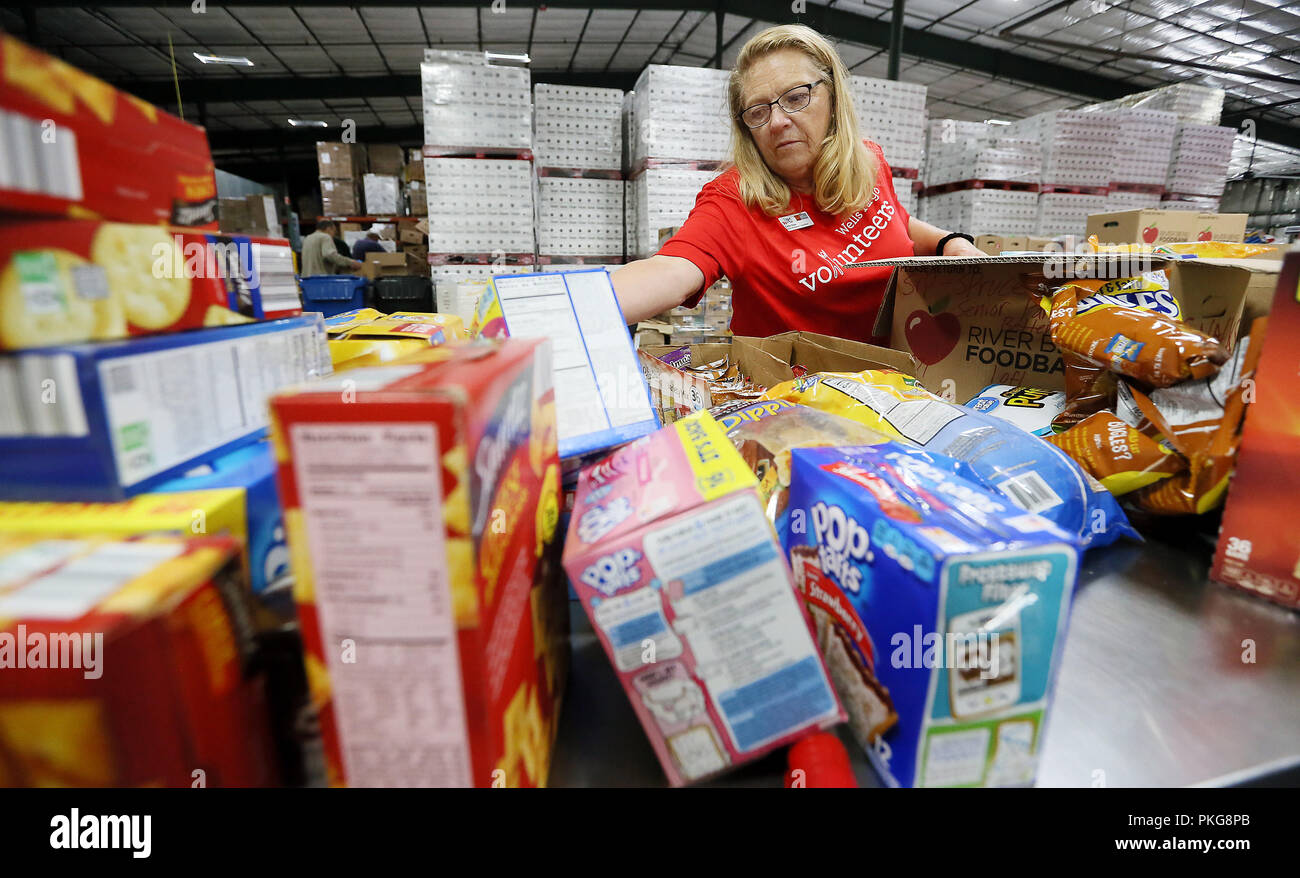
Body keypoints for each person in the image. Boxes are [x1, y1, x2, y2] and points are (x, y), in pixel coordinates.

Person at [613, 25, 984, 344]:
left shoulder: (869, 161)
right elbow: (673, 270)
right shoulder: (734, 199)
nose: (777, 122)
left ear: (833, 98)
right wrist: (572, 306)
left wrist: (949, 243)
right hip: (796, 406)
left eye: (796, 97)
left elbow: (896, 222)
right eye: (758, 111)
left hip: (896, 385)